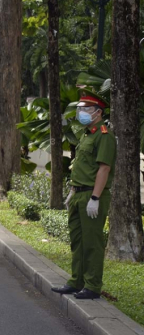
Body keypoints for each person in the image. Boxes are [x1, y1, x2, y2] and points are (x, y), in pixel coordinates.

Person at [52, 92, 116, 300]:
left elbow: (104, 169)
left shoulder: (104, 135)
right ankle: (76, 281)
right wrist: (72, 191)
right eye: (80, 109)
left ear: (98, 112)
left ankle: (92, 286)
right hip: (79, 193)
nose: (81, 112)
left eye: (85, 109)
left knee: (92, 242)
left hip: (92, 194)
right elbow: (82, 166)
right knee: (77, 241)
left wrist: (95, 198)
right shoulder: (87, 134)